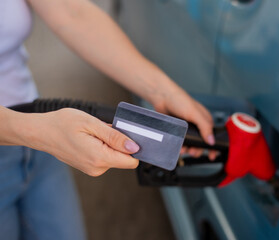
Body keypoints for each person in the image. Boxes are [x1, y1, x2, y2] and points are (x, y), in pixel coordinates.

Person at [0, 0, 215, 239]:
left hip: (37, 137)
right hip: (34, 132)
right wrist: (38, 133)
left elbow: (72, 13)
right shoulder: (42, 132)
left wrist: (164, 92)